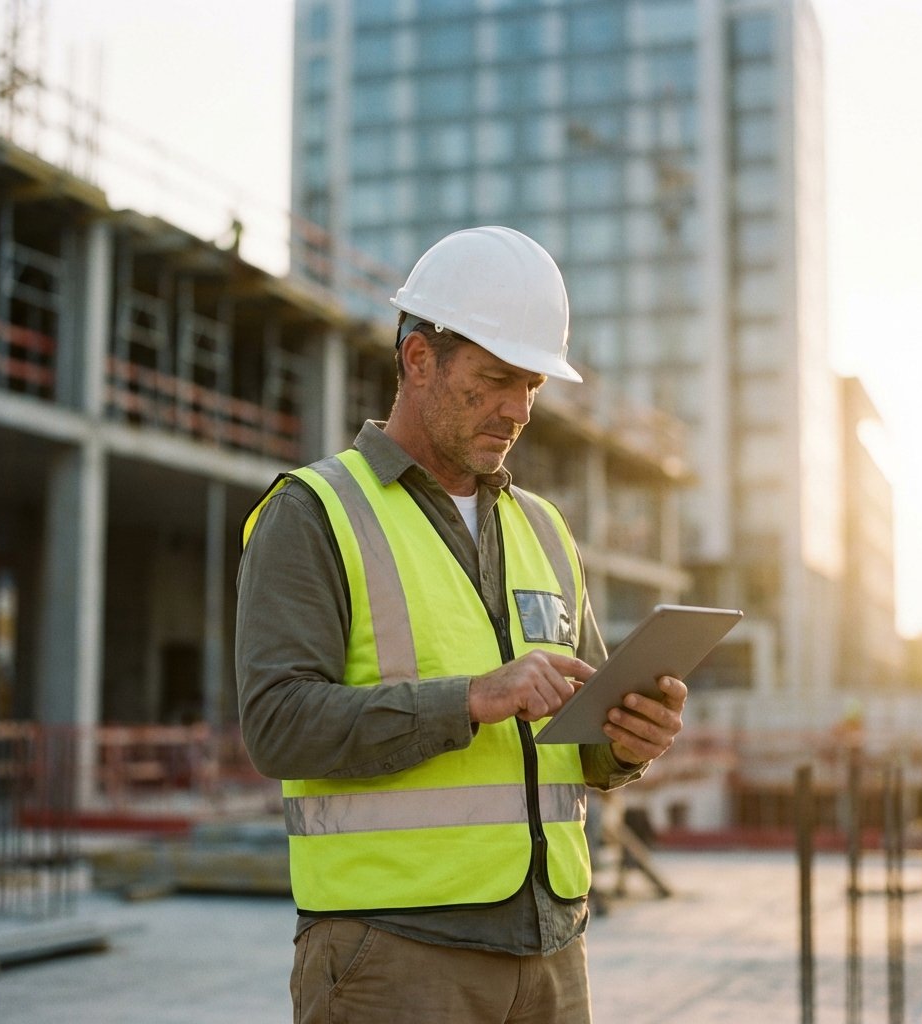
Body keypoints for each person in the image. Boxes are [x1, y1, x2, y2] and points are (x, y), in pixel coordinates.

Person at [235, 225, 687, 1024]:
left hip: (552, 952)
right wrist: (471, 698)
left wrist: (626, 743)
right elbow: (276, 726)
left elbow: (581, 746)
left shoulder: (546, 530)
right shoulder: (313, 513)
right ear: (418, 361)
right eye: (496, 379)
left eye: (534, 387)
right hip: (393, 956)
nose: (518, 410)